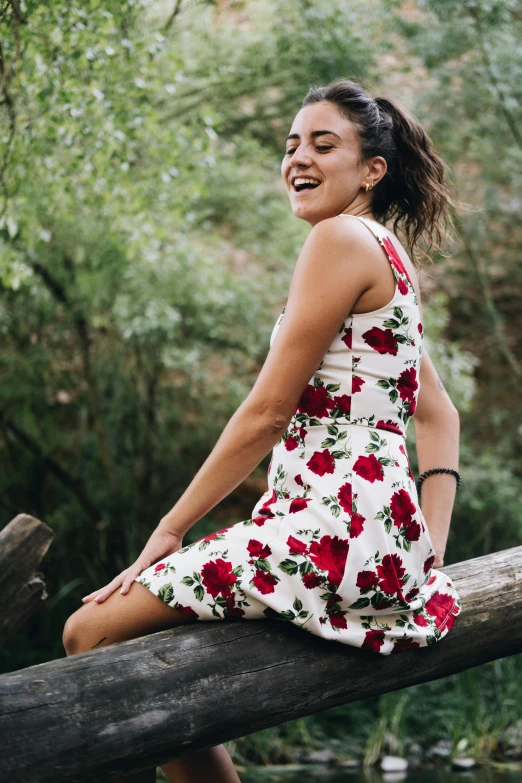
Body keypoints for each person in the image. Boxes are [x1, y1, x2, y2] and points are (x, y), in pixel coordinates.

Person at [62, 77, 463, 782]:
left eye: (322, 144)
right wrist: (426, 543)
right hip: (371, 537)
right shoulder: (388, 252)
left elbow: (267, 412)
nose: (297, 159)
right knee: (136, 638)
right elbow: (437, 412)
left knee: (87, 630)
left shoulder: (338, 238)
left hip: (335, 531)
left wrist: (169, 528)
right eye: (291, 145)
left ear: (374, 169)